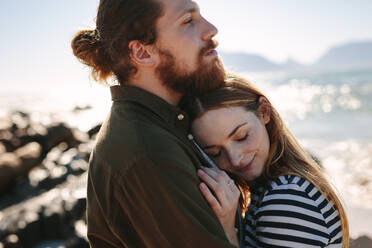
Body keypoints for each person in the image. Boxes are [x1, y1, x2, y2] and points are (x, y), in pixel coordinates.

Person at [70, 0, 242, 247]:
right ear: (142, 52)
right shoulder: (148, 153)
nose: (211, 29)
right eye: (188, 21)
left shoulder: (166, 122)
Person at [184, 74, 349, 247]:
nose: (234, 159)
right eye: (215, 153)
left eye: (242, 137)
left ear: (264, 112)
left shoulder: (286, 198)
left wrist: (227, 231)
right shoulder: (272, 190)